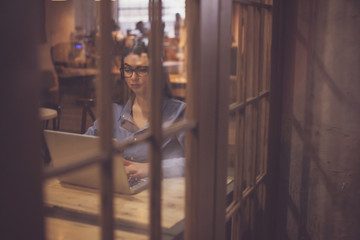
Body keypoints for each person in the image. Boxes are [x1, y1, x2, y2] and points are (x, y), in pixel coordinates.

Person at [85, 46, 185, 178]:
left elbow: (200, 158)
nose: (133, 77)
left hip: (161, 191)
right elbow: (84, 143)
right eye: (127, 70)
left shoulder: (178, 112)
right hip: (121, 186)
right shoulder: (115, 111)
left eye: (142, 70)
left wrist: (153, 167)